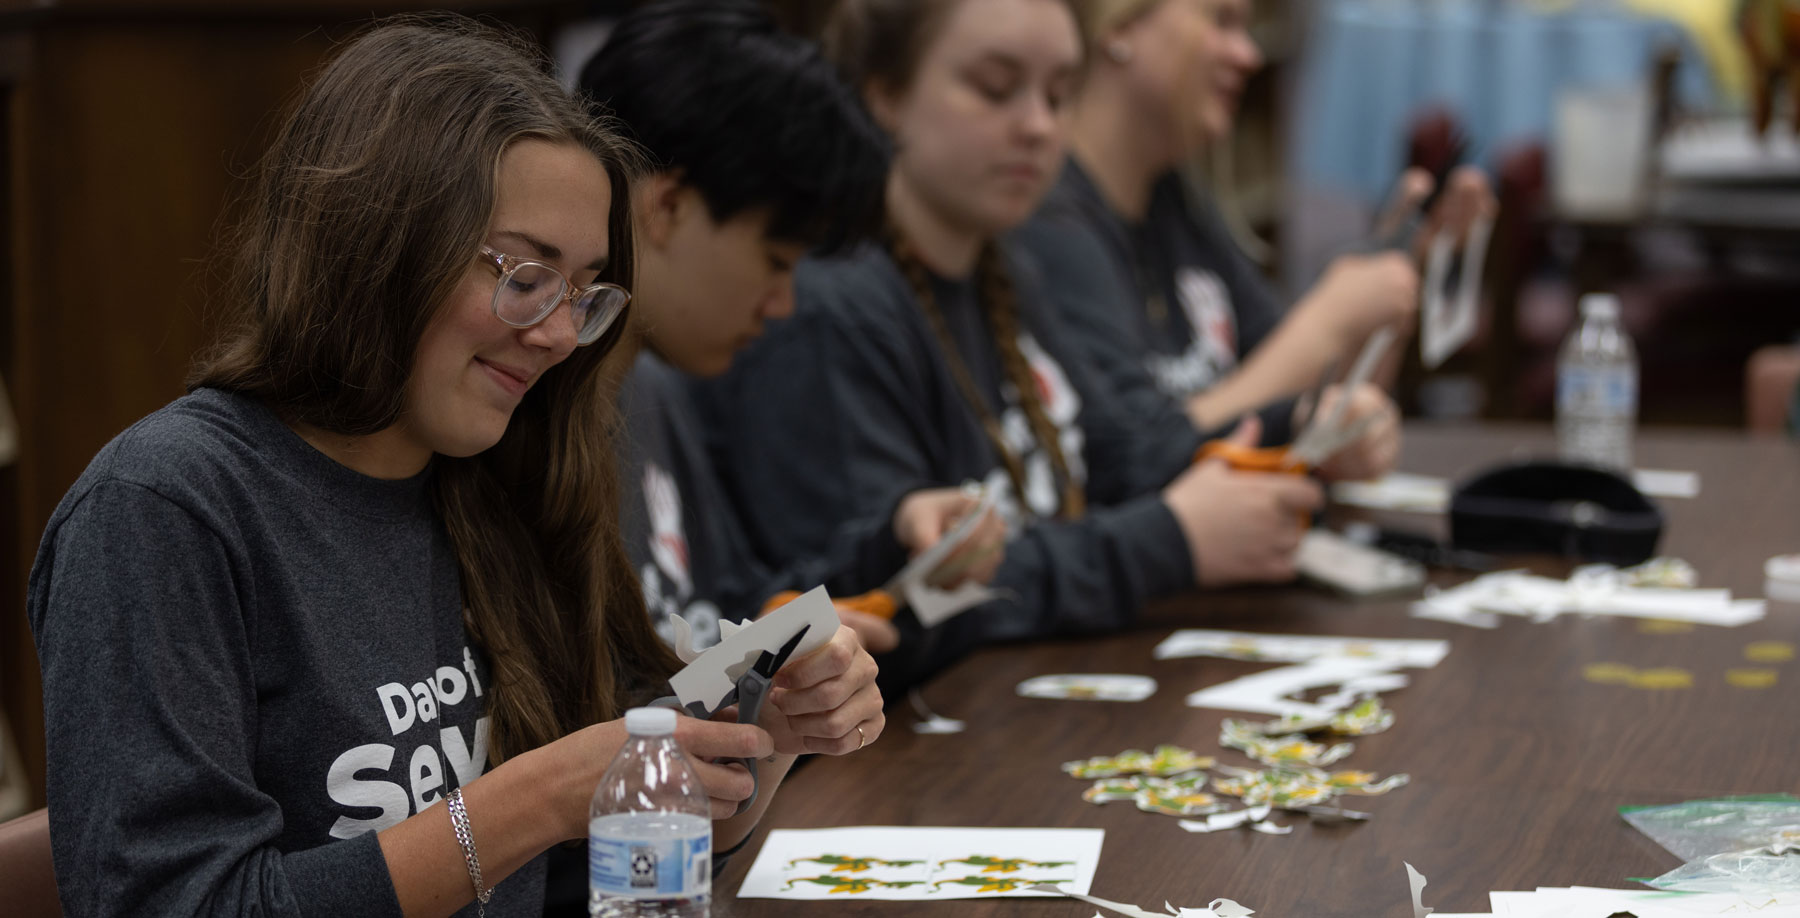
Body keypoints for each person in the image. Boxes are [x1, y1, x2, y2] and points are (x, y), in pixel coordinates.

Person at [26, 18, 881, 917]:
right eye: (524, 277)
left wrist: (764, 740)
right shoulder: (167, 508)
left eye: (584, 294)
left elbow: (588, 875)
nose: (558, 334)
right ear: (376, 243)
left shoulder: (501, 476)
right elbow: (181, 904)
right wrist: (535, 798)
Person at [694, 0, 1324, 690]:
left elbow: (1122, 458)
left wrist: (1304, 425)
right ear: (883, 94)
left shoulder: (1003, 263)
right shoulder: (826, 310)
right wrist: (1169, 543)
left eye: (1059, 96)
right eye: (996, 89)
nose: (1039, 126)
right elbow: (901, 608)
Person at [576, 0, 1005, 662]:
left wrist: (893, 544)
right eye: (776, 262)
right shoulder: (536, 423)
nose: (782, 305)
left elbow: (720, 614)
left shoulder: (656, 388)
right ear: (666, 206)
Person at [1017, 0, 1496, 480]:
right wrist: (1328, 322)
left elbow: (1306, 407)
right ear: (1120, 28)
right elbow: (1137, 462)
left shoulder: (1174, 200)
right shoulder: (1045, 227)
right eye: (1222, 21)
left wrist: (1387, 292)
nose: (1248, 55)